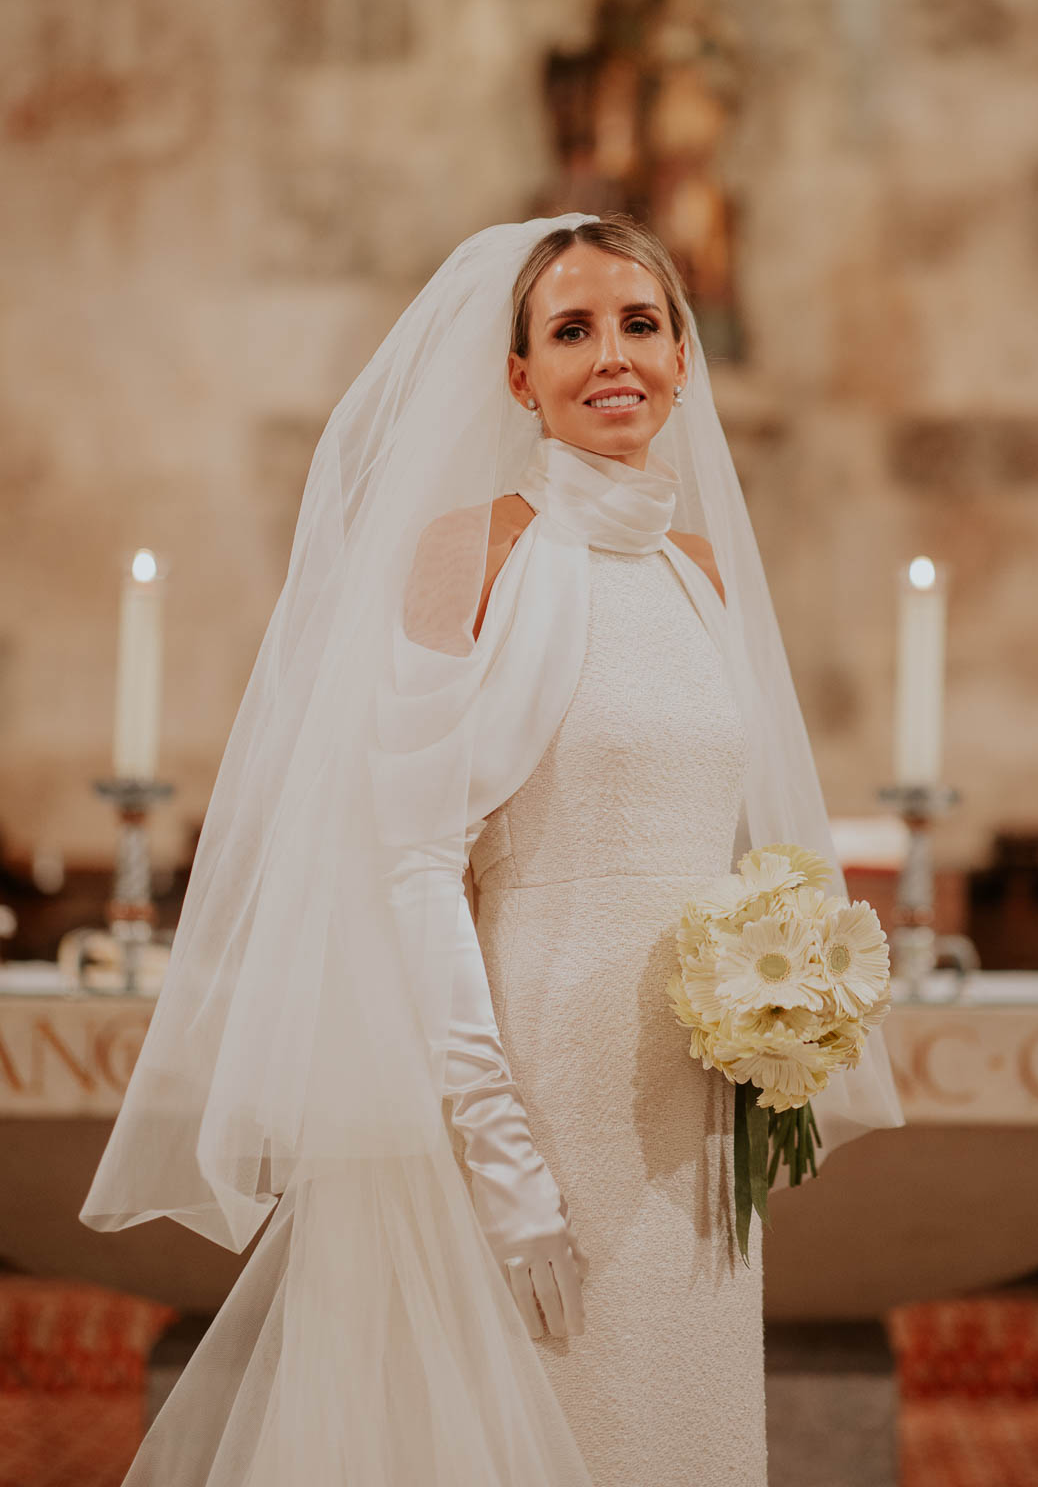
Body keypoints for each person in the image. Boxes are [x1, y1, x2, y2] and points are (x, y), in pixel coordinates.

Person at [79, 212, 904, 1486]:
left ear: (685, 357)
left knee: (681, 1432)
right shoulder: (473, 550)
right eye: (570, 330)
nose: (611, 354)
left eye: (640, 322)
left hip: (692, 1112)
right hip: (535, 1088)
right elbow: (413, 863)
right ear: (521, 377)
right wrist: (504, 1156)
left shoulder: (701, 573)